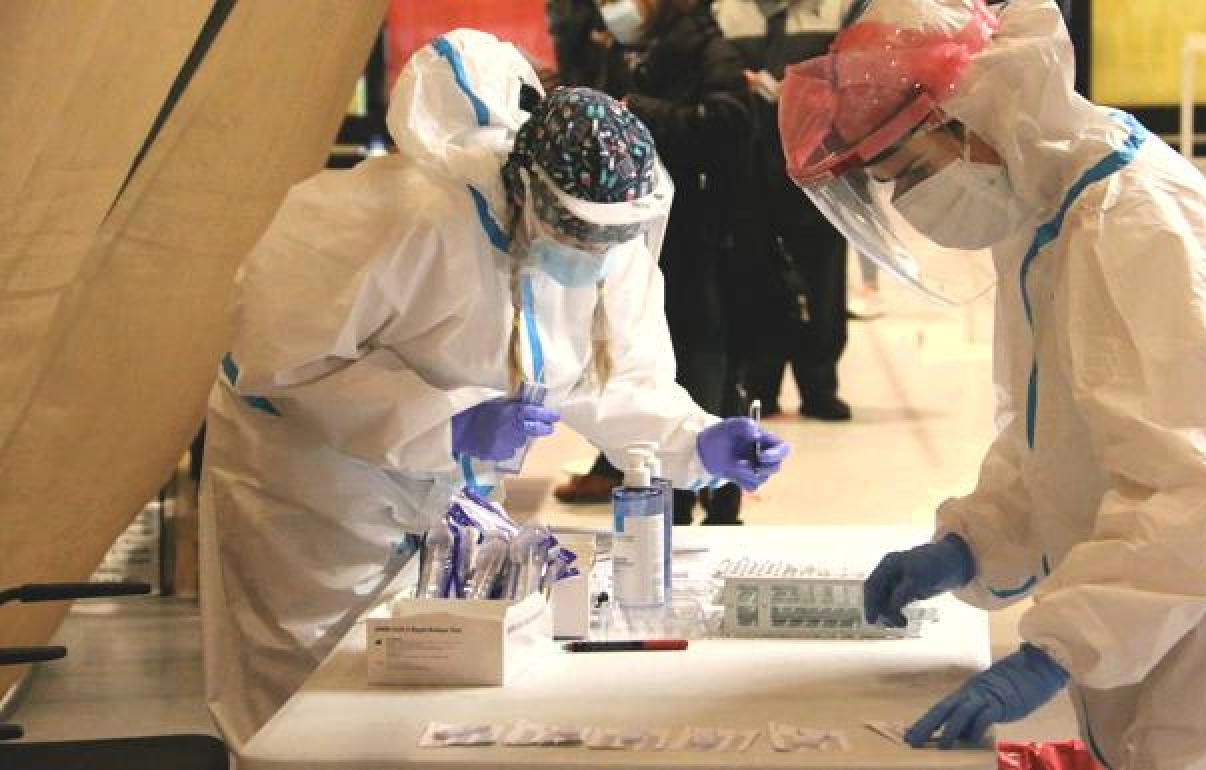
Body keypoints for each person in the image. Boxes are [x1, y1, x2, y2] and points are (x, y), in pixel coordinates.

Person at [198, 29, 789, 750]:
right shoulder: (407, 218)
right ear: (528, 190)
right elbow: (280, 362)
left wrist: (696, 439)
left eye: (609, 242)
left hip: (448, 493)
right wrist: (446, 422)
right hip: (316, 492)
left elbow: (615, 376)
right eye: (578, 236)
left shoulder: (608, 240)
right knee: (311, 698)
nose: (593, 258)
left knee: (425, 691)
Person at [779, 0, 1206, 766]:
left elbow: (1201, 486)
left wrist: (1063, 648)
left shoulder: (1139, 224)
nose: (915, 202)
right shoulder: (1045, 207)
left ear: (979, 111)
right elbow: (1060, 435)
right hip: (1155, 618)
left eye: (915, 171)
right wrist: (975, 541)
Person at [553, 0, 758, 526]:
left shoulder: (708, 50)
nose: (614, 8)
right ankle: (651, 474)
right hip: (624, 226)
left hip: (695, 230)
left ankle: (709, 492)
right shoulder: (621, 50)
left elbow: (731, 123)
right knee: (626, 345)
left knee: (697, 352)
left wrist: (643, 110)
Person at [715, 0, 854, 419]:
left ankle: (819, 383)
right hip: (745, 168)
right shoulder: (725, 11)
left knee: (822, 277)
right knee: (753, 272)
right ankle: (760, 384)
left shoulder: (836, 9)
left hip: (816, 170)